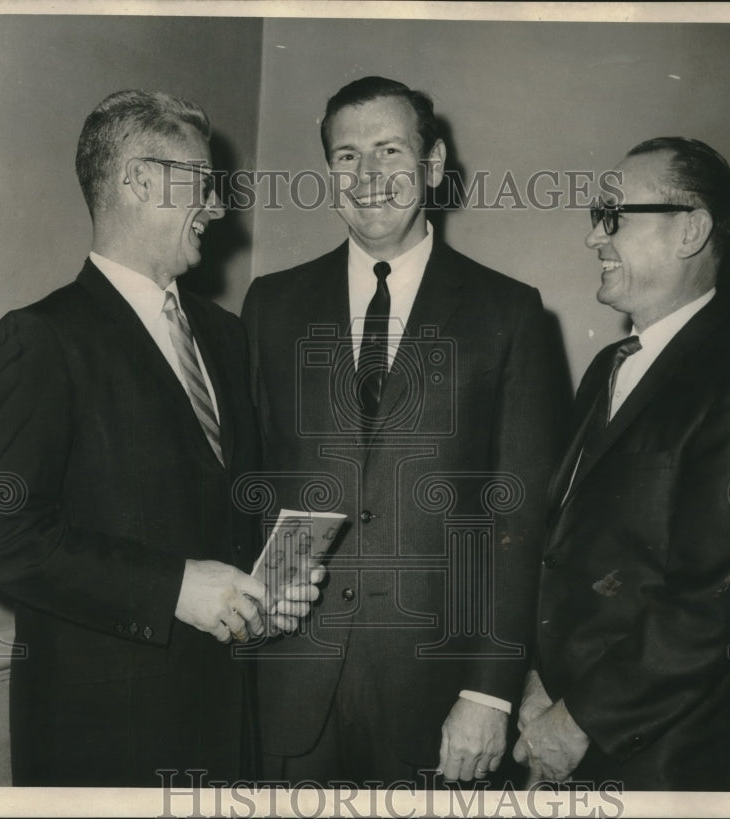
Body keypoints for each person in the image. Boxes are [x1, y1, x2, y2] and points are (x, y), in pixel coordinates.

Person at [0, 89, 320, 787]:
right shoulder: (46, 337)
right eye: (203, 185)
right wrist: (174, 587)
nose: (217, 208)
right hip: (105, 743)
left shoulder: (223, 333)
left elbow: (225, 511)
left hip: (221, 727)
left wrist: (267, 594)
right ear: (137, 180)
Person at [241, 76, 571, 786]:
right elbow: (252, 485)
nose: (367, 176)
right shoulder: (272, 305)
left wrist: (489, 692)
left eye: (390, 150)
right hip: (292, 691)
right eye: (346, 156)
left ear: (433, 163)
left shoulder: (508, 313)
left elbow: (522, 521)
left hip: (441, 702)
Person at [515, 137, 730, 790]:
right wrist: (538, 680)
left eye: (614, 215)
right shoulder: (605, 371)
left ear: (691, 229)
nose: (595, 237)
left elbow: (713, 604)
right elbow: (564, 555)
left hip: (678, 769)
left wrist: (577, 719)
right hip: (576, 744)